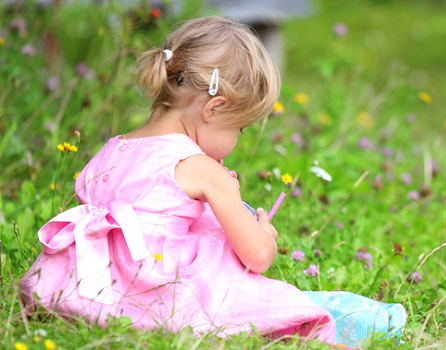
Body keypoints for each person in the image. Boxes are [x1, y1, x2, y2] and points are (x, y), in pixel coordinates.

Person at [20, 16, 405, 347]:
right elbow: (256, 257)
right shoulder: (201, 167)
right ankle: (364, 322)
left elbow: (142, 219)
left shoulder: (113, 147)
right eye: (239, 127)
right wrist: (262, 230)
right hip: (153, 296)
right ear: (214, 108)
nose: (236, 141)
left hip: (75, 289)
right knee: (266, 301)